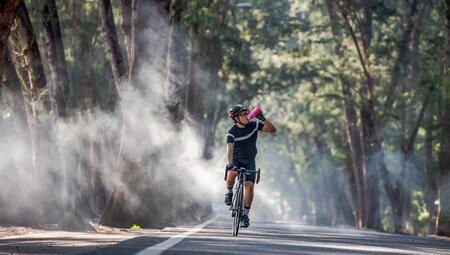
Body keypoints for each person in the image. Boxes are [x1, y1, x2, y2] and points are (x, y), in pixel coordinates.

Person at [225, 104, 277, 228]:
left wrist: (263, 119)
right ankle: (229, 192)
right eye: (243, 114)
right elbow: (229, 150)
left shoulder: (253, 125)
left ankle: (245, 215)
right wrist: (230, 164)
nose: (246, 115)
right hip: (236, 159)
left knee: (249, 186)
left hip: (249, 161)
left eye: (247, 112)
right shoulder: (231, 132)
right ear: (236, 118)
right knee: (232, 172)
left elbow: (273, 130)